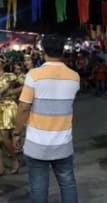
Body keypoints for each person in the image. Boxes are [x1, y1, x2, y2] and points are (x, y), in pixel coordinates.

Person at [14, 34, 80, 203]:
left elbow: (23, 108)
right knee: (68, 183)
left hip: (37, 143)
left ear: (43, 51)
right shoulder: (74, 77)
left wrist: (17, 133)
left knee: (38, 187)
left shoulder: (34, 75)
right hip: (63, 142)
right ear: (63, 51)